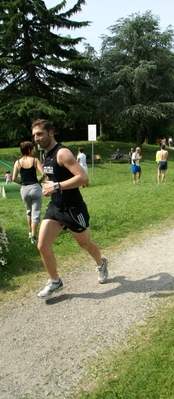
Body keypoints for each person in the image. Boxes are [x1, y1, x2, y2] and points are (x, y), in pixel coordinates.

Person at [31, 119, 108, 299]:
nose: (36, 138)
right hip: (55, 208)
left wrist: (56, 186)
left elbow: (83, 178)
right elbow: (56, 178)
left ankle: (101, 263)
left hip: (73, 209)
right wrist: (49, 186)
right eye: (34, 135)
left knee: (85, 244)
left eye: (40, 134)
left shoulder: (62, 153)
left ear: (51, 133)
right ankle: (55, 281)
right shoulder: (46, 154)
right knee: (42, 246)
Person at [12, 141, 46, 243]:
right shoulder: (35, 160)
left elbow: (13, 178)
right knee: (36, 213)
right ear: (29, 150)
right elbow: (43, 174)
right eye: (32, 149)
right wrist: (39, 182)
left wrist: (22, 182)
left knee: (29, 211)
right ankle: (34, 238)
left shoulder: (17, 162)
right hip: (35, 187)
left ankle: (30, 231)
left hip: (24, 189)